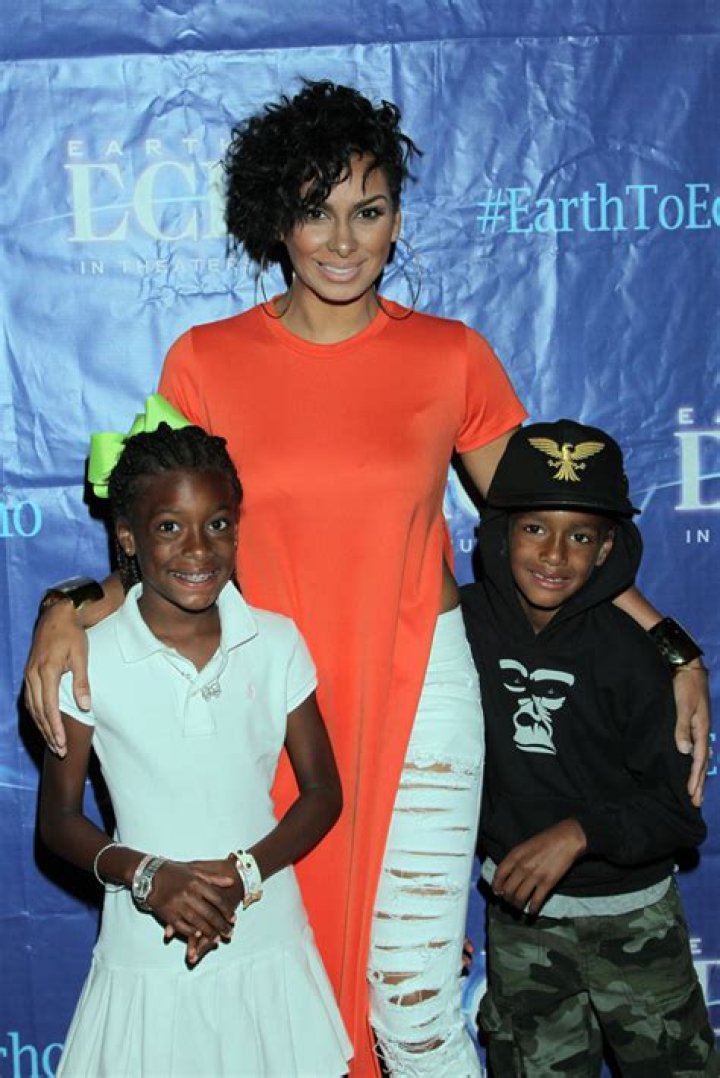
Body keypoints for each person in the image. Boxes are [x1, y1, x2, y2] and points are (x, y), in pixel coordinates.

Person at [24, 82, 710, 1076]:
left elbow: (549, 535)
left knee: (414, 1001)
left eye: (369, 210)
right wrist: (64, 609)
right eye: (316, 211)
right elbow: (157, 539)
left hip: (420, 684)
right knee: (280, 985)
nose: (343, 240)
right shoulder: (206, 358)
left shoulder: (452, 357)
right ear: (278, 221)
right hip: (262, 697)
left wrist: (668, 642)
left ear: (396, 220)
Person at [38, 415, 352, 1077]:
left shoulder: (275, 642)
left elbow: (324, 792)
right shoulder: (89, 658)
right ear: (128, 537)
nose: (199, 549)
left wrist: (243, 875)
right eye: (168, 527)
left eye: (218, 524)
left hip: (264, 931)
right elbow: (59, 820)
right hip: (146, 945)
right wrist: (149, 875)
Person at [461, 419, 717, 1075]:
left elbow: (677, 813)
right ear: (502, 531)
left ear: (607, 550)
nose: (555, 554)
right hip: (521, 923)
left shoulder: (633, 656)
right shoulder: (460, 625)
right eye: (535, 528)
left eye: (580, 536)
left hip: (633, 925)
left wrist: (581, 832)